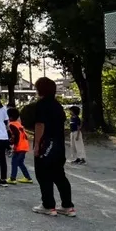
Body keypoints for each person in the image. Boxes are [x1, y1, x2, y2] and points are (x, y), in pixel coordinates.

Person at [32, 77, 75, 217]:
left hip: (46, 144)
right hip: (59, 144)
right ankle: (67, 206)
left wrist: (37, 144)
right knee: (59, 174)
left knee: (43, 175)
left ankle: (48, 205)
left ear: (40, 89)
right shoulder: (58, 105)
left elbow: (40, 125)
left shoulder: (41, 105)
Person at [6, 108, 33, 184]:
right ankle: (28, 178)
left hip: (19, 147)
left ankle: (12, 178)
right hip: (24, 145)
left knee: (14, 162)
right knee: (20, 162)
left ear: (10, 117)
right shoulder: (18, 124)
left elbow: (16, 136)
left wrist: (14, 145)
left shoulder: (12, 125)